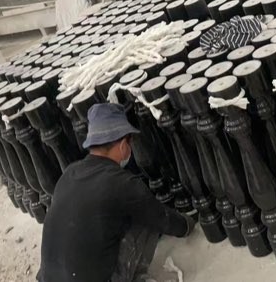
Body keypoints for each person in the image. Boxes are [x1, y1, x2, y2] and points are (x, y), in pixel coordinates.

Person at [38, 103, 195, 282]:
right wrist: (187, 225)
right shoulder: (123, 183)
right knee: (144, 218)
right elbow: (162, 218)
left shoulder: (70, 172)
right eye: (129, 142)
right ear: (122, 145)